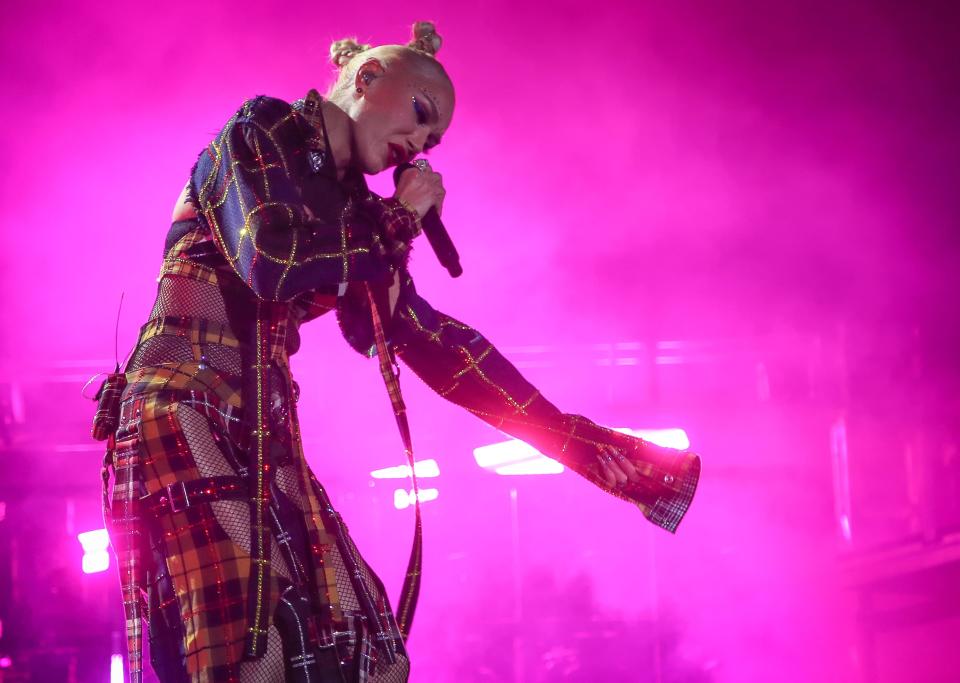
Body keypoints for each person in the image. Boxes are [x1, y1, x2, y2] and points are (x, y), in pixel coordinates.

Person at [93, 21, 701, 683]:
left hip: (263, 424)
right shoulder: (261, 131)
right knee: (254, 647)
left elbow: (426, 340)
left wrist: (584, 445)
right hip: (185, 402)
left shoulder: (352, 211)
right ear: (367, 79)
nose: (419, 143)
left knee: (370, 647)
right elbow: (273, 259)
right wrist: (398, 221)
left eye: (432, 139)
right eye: (419, 115)